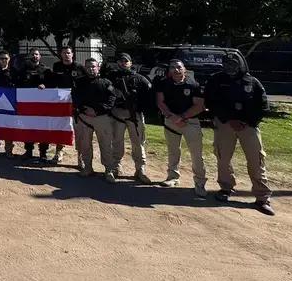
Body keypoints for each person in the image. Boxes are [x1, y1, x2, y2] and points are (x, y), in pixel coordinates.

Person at [205, 56, 274, 216]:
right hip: (225, 125)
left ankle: (262, 198)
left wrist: (248, 121)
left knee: (257, 160)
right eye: (227, 64)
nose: (231, 67)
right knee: (223, 158)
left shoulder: (252, 82)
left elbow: (263, 105)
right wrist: (229, 119)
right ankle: (225, 188)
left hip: (248, 126)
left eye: (234, 64)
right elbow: (210, 102)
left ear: (242, 64)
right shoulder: (216, 80)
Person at [156, 59, 208, 198]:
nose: (176, 70)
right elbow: (160, 101)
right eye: (172, 67)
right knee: (173, 151)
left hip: (190, 122)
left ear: (184, 69)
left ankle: (200, 182)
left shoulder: (193, 84)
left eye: (178, 67)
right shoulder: (164, 84)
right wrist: (171, 117)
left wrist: (182, 117)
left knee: (196, 155)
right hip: (171, 120)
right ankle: (173, 177)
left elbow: (199, 105)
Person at [106, 52, 153, 184]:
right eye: (121, 61)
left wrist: (141, 108)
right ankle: (115, 167)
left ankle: (140, 169)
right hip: (117, 114)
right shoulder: (111, 77)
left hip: (135, 115)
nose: (123, 63)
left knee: (138, 143)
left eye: (126, 61)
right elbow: (105, 91)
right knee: (117, 142)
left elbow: (149, 96)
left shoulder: (139, 78)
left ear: (130, 63)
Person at [72, 58, 116, 182]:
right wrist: (84, 109)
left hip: (101, 117)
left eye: (93, 66)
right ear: (85, 68)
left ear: (98, 67)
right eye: (88, 67)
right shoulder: (78, 82)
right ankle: (87, 168)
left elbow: (112, 98)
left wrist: (97, 110)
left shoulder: (106, 82)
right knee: (85, 144)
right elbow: (75, 97)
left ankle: (109, 170)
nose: (91, 69)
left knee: (106, 144)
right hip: (84, 117)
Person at [45, 46, 88, 166]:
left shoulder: (79, 67)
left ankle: (81, 158)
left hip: (76, 102)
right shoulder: (57, 66)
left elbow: (85, 82)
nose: (66, 55)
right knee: (62, 127)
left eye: (68, 53)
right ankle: (59, 152)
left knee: (79, 129)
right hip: (62, 102)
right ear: (61, 54)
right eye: (64, 53)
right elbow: (53, 82)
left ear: (72, 54)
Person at [18, 48, 50, 163]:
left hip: (42, 106)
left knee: (43, 130)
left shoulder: (46, 70)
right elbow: (18, 83)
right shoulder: (23, 70)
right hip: (28, 105)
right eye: (32, 54)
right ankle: (28, 151)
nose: (34, 56)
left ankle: (43, 153)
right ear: (29, 56)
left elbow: (51, 84)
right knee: (28, 129)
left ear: (40, 56)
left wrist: (45, 85)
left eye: (36, 54)